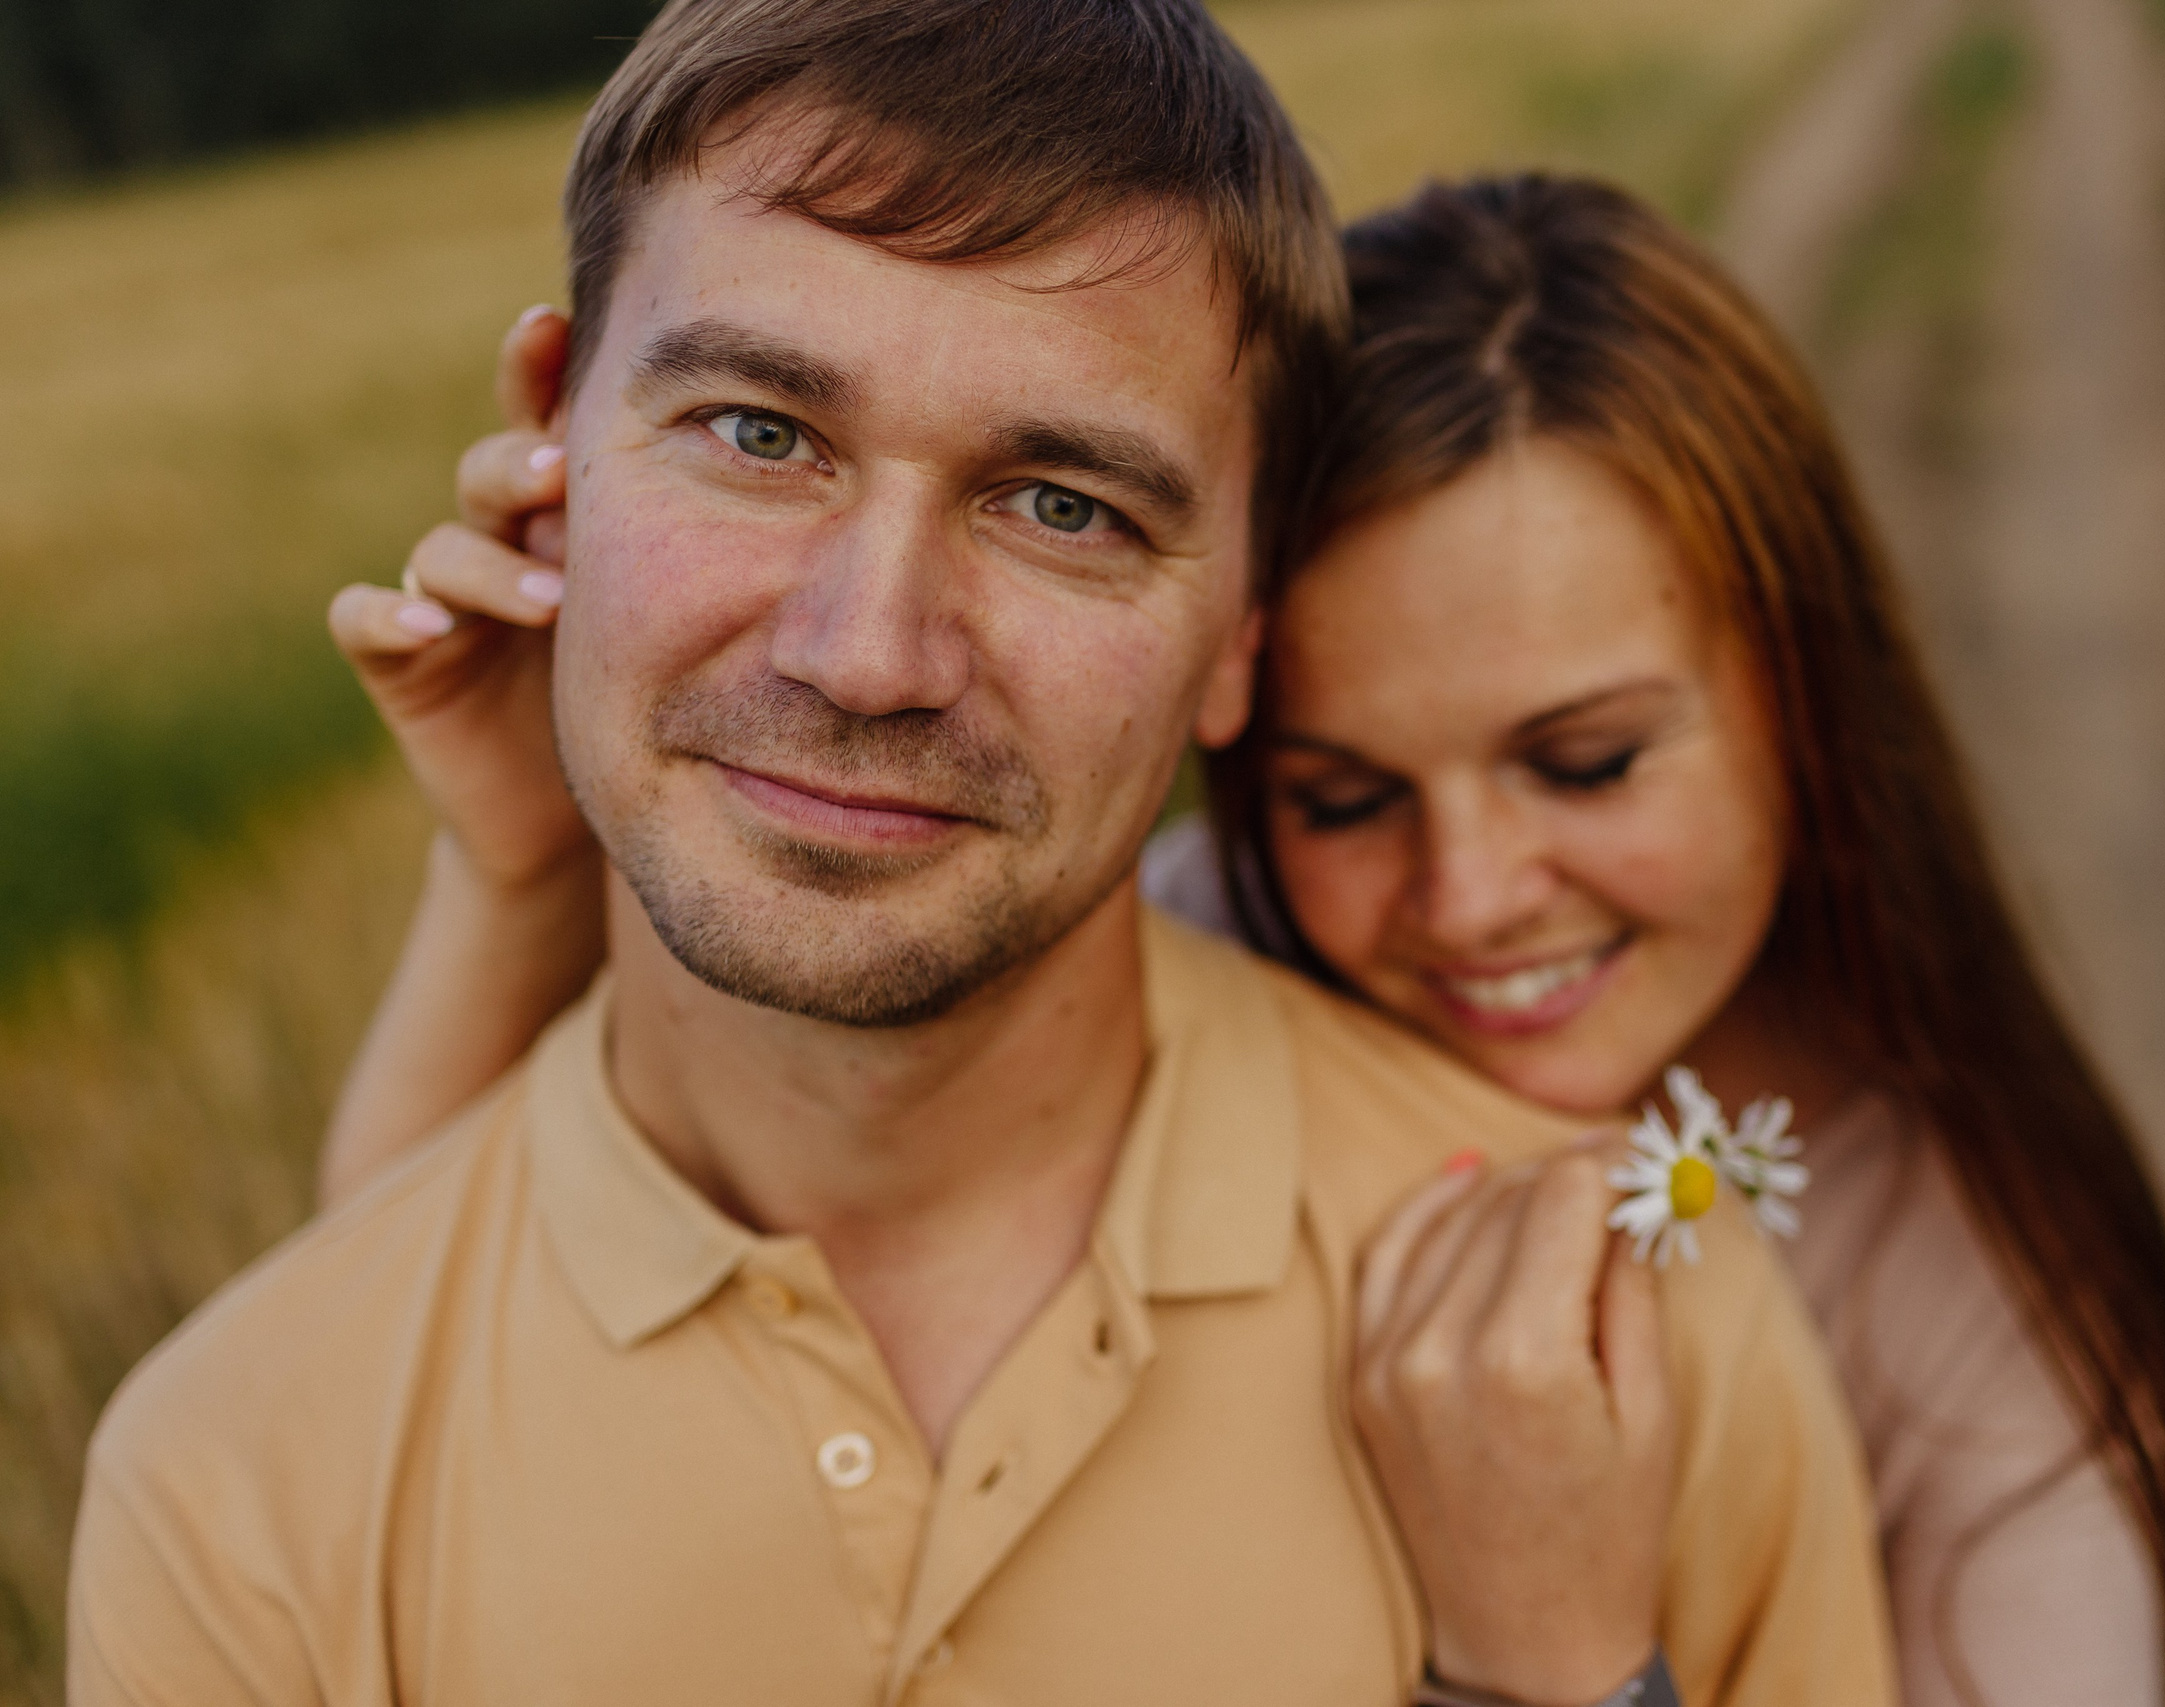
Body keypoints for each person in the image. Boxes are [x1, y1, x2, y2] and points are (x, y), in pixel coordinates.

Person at [65, 6, 1896, 1707]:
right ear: (553, 442)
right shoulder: (234, 1482)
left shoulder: (1608, 1354)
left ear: (1246, 631)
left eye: (1061, 506)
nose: (867, 653)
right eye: (759, 432)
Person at [323, 169, 2165, 1707]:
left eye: (1583, 762)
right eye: (1342, 799)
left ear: (1805, 702)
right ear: (1225, 702)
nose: (1472, 895)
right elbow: (402, 1357)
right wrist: (519, 860)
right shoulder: (1146, 968)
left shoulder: (1982, 1319)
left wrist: (1563, 1671)